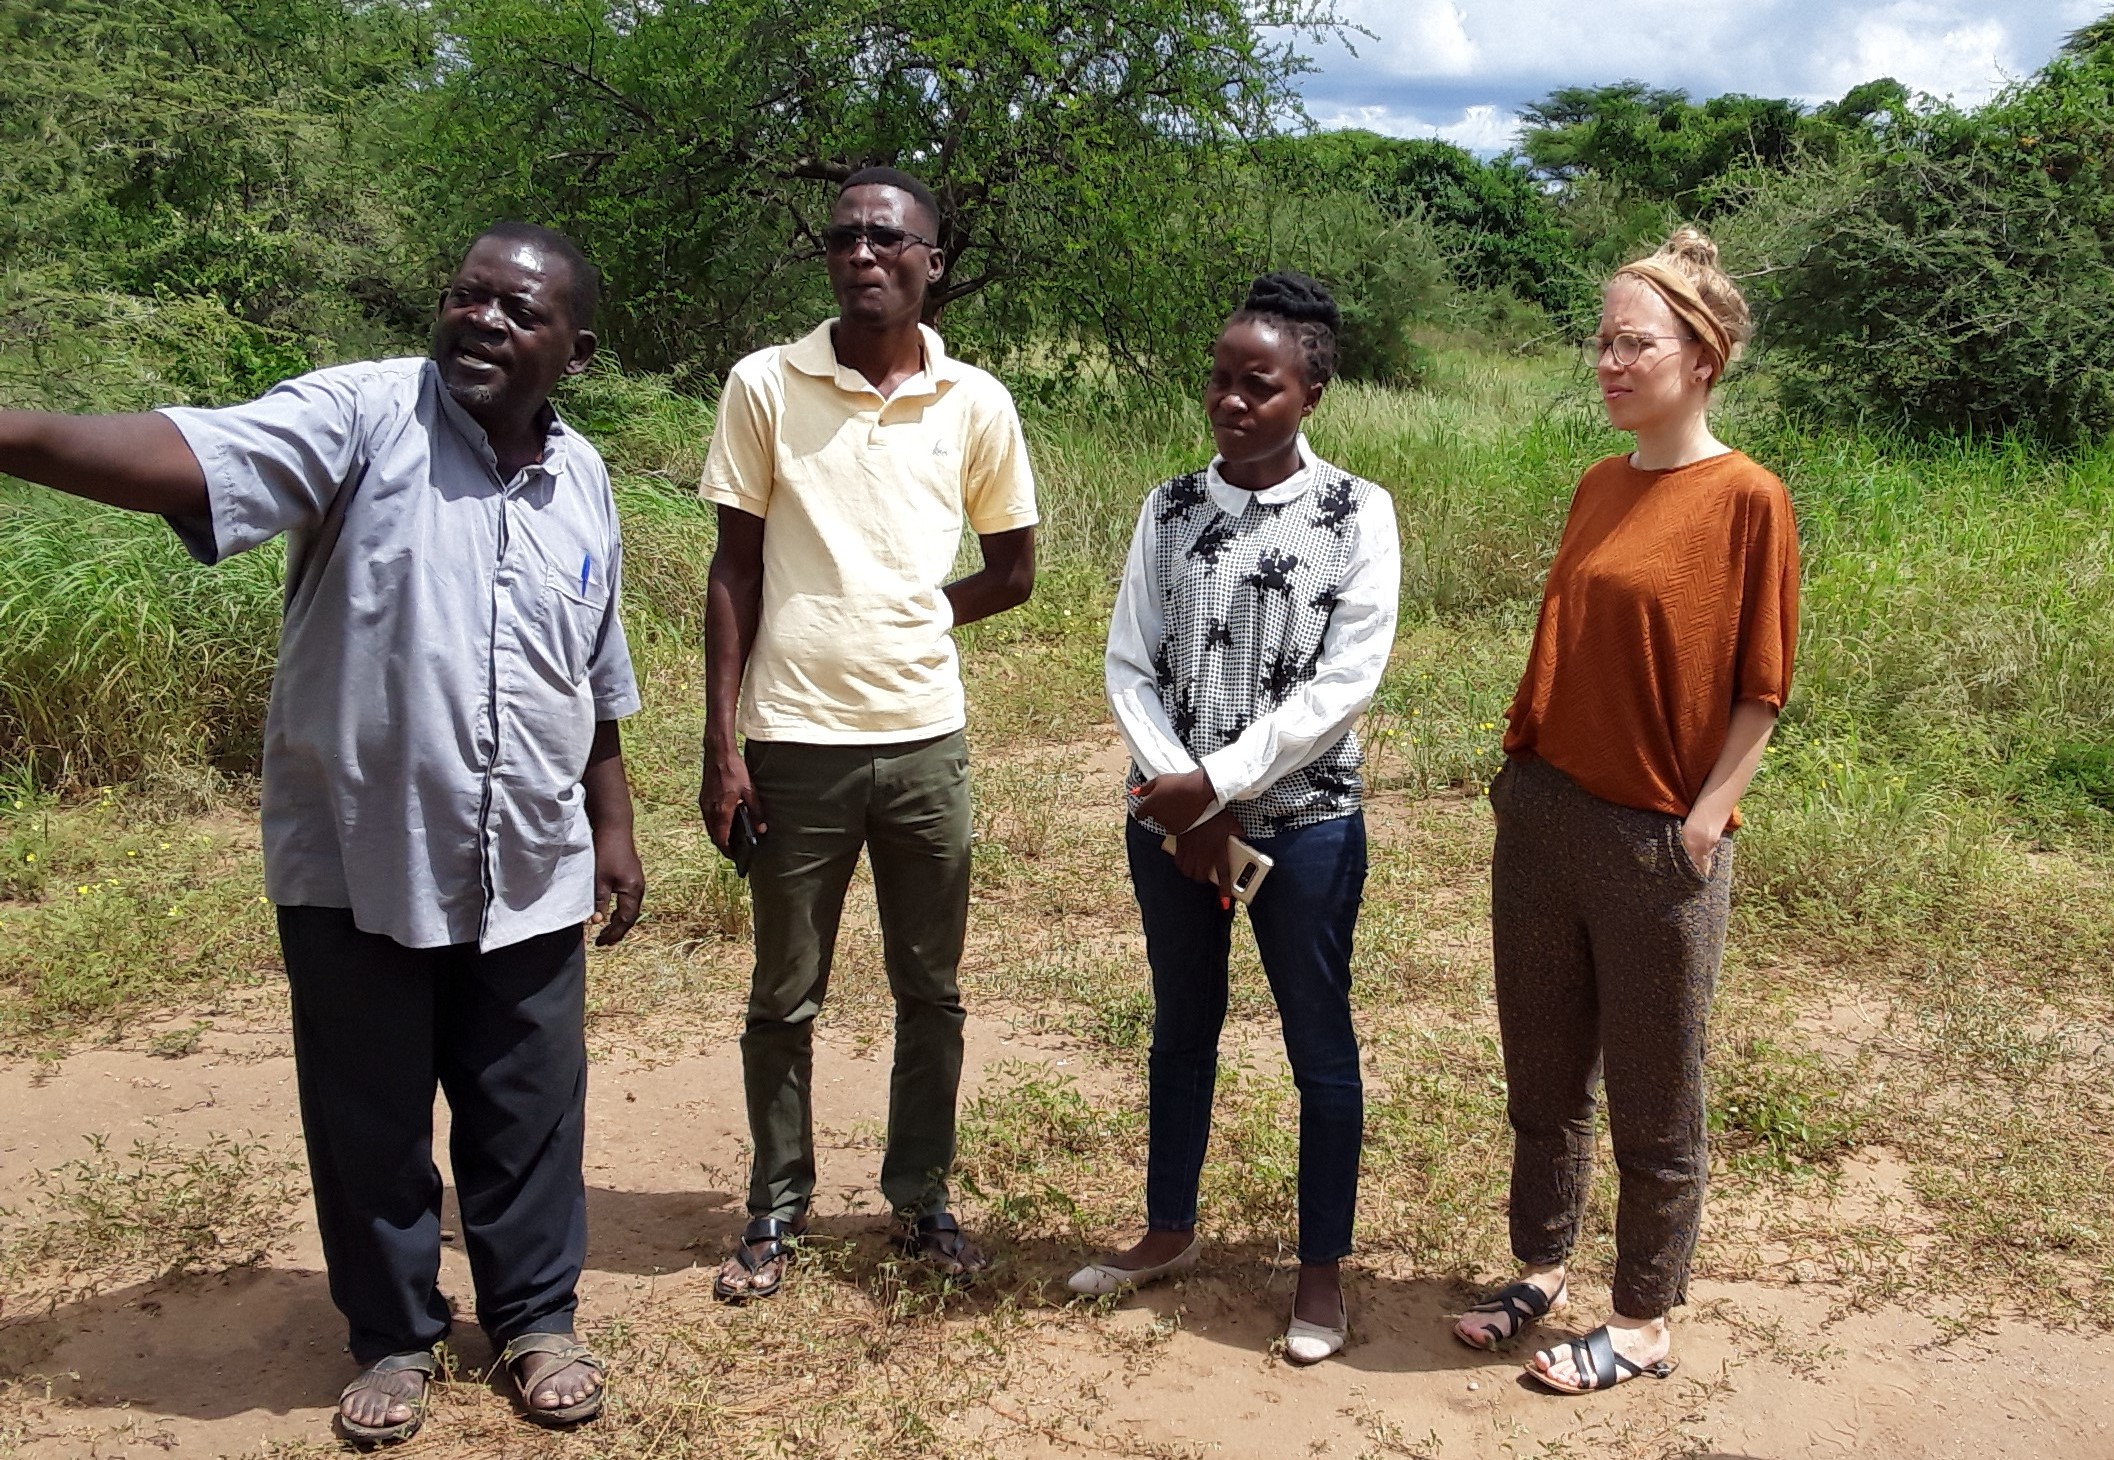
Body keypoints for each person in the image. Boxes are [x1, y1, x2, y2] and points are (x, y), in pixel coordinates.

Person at [0, 223, 642, 1443]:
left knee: (529, 1106)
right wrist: (10, 429)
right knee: (371, 1110)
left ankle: (535, 1320)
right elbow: (185, 453)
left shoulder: (586, 478)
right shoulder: (359, 416)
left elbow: (592, 671)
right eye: (465, 297)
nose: (483, 322)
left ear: (577, 348)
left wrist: (612, 826)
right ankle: (394, 1333)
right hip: (360, 853)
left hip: (532, 857)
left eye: (518, 310)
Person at [1450, 228, 1799, 1394]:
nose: (1605, 360)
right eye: (1599, 339)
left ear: (1699, 357)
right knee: (1541, 1075)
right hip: (1545, 815)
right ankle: (1539, 1266)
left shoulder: (1748, 499)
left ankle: (1643, 1319)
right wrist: (1519, 779)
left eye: (1630, 341)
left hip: (1657, 836)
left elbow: (1761, 685)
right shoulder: (1599, 483)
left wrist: (1705, 821)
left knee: (1657, 1093)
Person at [697, 166, 1038, 1299]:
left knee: (927, 987)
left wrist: (915, 613)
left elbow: (1012, 569)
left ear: (931, 263)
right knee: (782, 993)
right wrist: (723, 743)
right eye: (844, 237)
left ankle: (920, 1197)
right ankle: (775, 1207)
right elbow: (732, 566)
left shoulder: (975, 401)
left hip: (924, 740)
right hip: (793, 740)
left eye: (889, 239)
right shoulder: (764, 384)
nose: (862, 255)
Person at [1074, 273, 1399, 1366]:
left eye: (1256, 383)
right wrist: (1181, 800)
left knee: (1319, 1046)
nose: (1228, 400)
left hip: (1303, 828)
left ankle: (1318, 1266)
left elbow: (1342, 683)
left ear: (1310, 390)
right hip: (1169, 825)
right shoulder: (1166, 508)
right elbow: (1130, 662)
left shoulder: (1358, 512)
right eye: (1217, 379)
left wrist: (1213, 786)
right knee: (1180, 1026)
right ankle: (1167, 1227)